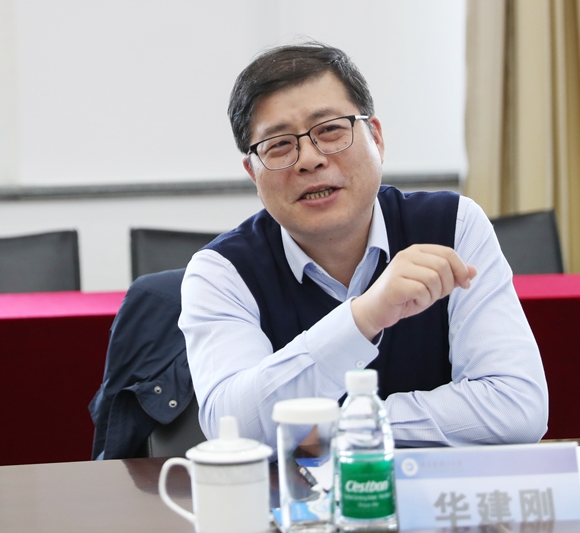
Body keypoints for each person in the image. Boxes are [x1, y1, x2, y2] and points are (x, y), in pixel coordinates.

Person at [179, 42, 548, 449]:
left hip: (440, 489)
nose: (309, 159)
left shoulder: (453, 225)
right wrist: (364, 316)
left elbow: (517, 409)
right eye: (279, 144)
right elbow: (233, 428)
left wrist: (339, 427)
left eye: (330, 130)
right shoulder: (221, 272)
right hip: (295, 493)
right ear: (253, 173)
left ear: (376, 138)